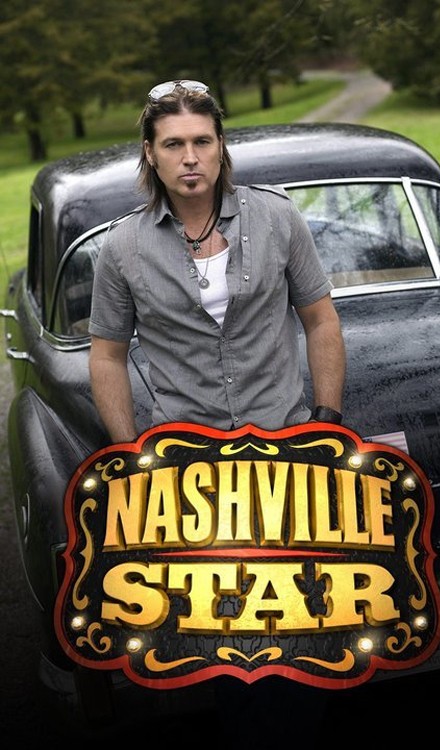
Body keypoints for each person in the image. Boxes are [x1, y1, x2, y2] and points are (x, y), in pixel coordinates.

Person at [88, 78, 346, 746]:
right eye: (174, 144)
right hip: (191, 475)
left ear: (221, 146)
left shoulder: (277, 218)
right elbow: (107, 355)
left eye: (202, 141)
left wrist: (326, 417)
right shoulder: (122, 247)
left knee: (309, 620)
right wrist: (131, 455)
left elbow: (320, 319)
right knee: (225, 632)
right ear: (150, 154)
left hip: (289, 456)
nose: (190, 157)